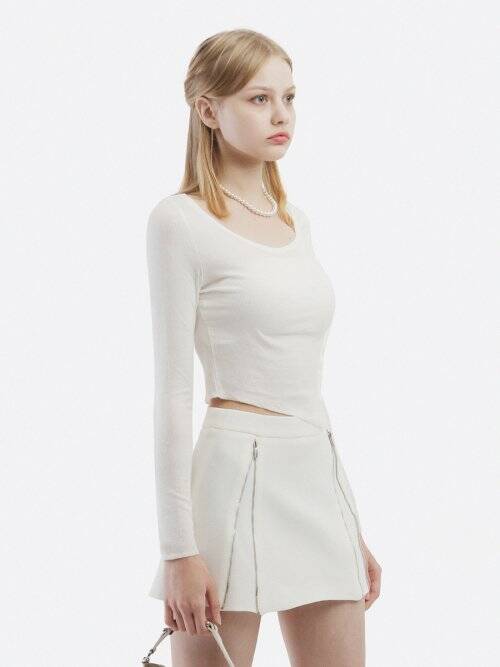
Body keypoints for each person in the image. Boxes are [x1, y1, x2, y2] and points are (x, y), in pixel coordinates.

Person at [146, 28, 382, 666]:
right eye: (258, 98)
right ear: (208, 110)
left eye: (289, 97)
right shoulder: (180, 221)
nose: (281, 115)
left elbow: (304, 385)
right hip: (233, 476)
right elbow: (172, 393)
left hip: (315, 474)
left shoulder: (295, 222)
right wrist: (178, 551)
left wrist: (349, 522)